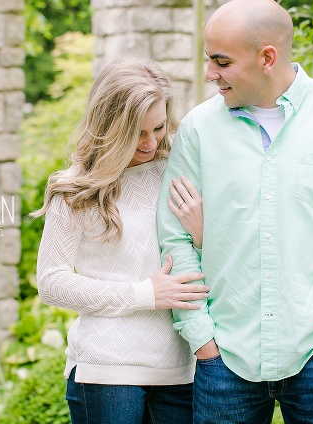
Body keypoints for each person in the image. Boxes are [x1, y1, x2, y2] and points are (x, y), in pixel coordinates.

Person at [157, 0, 313, 424]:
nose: (209, 73)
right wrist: (203, 341)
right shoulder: (198, 130)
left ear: (268, 57)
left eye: (222, 62)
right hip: (225, 361)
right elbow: (173, 238)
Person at [35, 54, 207, 424]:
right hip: (106, 373)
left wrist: (202, 235)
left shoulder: (182, 169)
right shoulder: (75, 189)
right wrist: (144, 294)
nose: (150, 143)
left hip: (181, 369)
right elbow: (51, 283)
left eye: (158, 128)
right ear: (110, 126)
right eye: (137, 133)